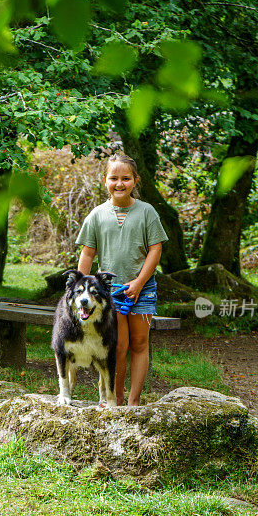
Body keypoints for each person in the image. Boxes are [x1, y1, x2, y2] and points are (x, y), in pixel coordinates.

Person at [76, 152, 168, 406]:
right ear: (104, 180)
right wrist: (81, 290)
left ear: (135, 181)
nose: (119, 183)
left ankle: (133, 402)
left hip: (142, 288)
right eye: (113, 178)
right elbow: (88, 253)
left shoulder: (147, 212)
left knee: (139, 343)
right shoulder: (96, 215)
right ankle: (113, 399)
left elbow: (155, 249)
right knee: (117, 347)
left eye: (125, 178)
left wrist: (138, 283)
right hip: (110, 292)